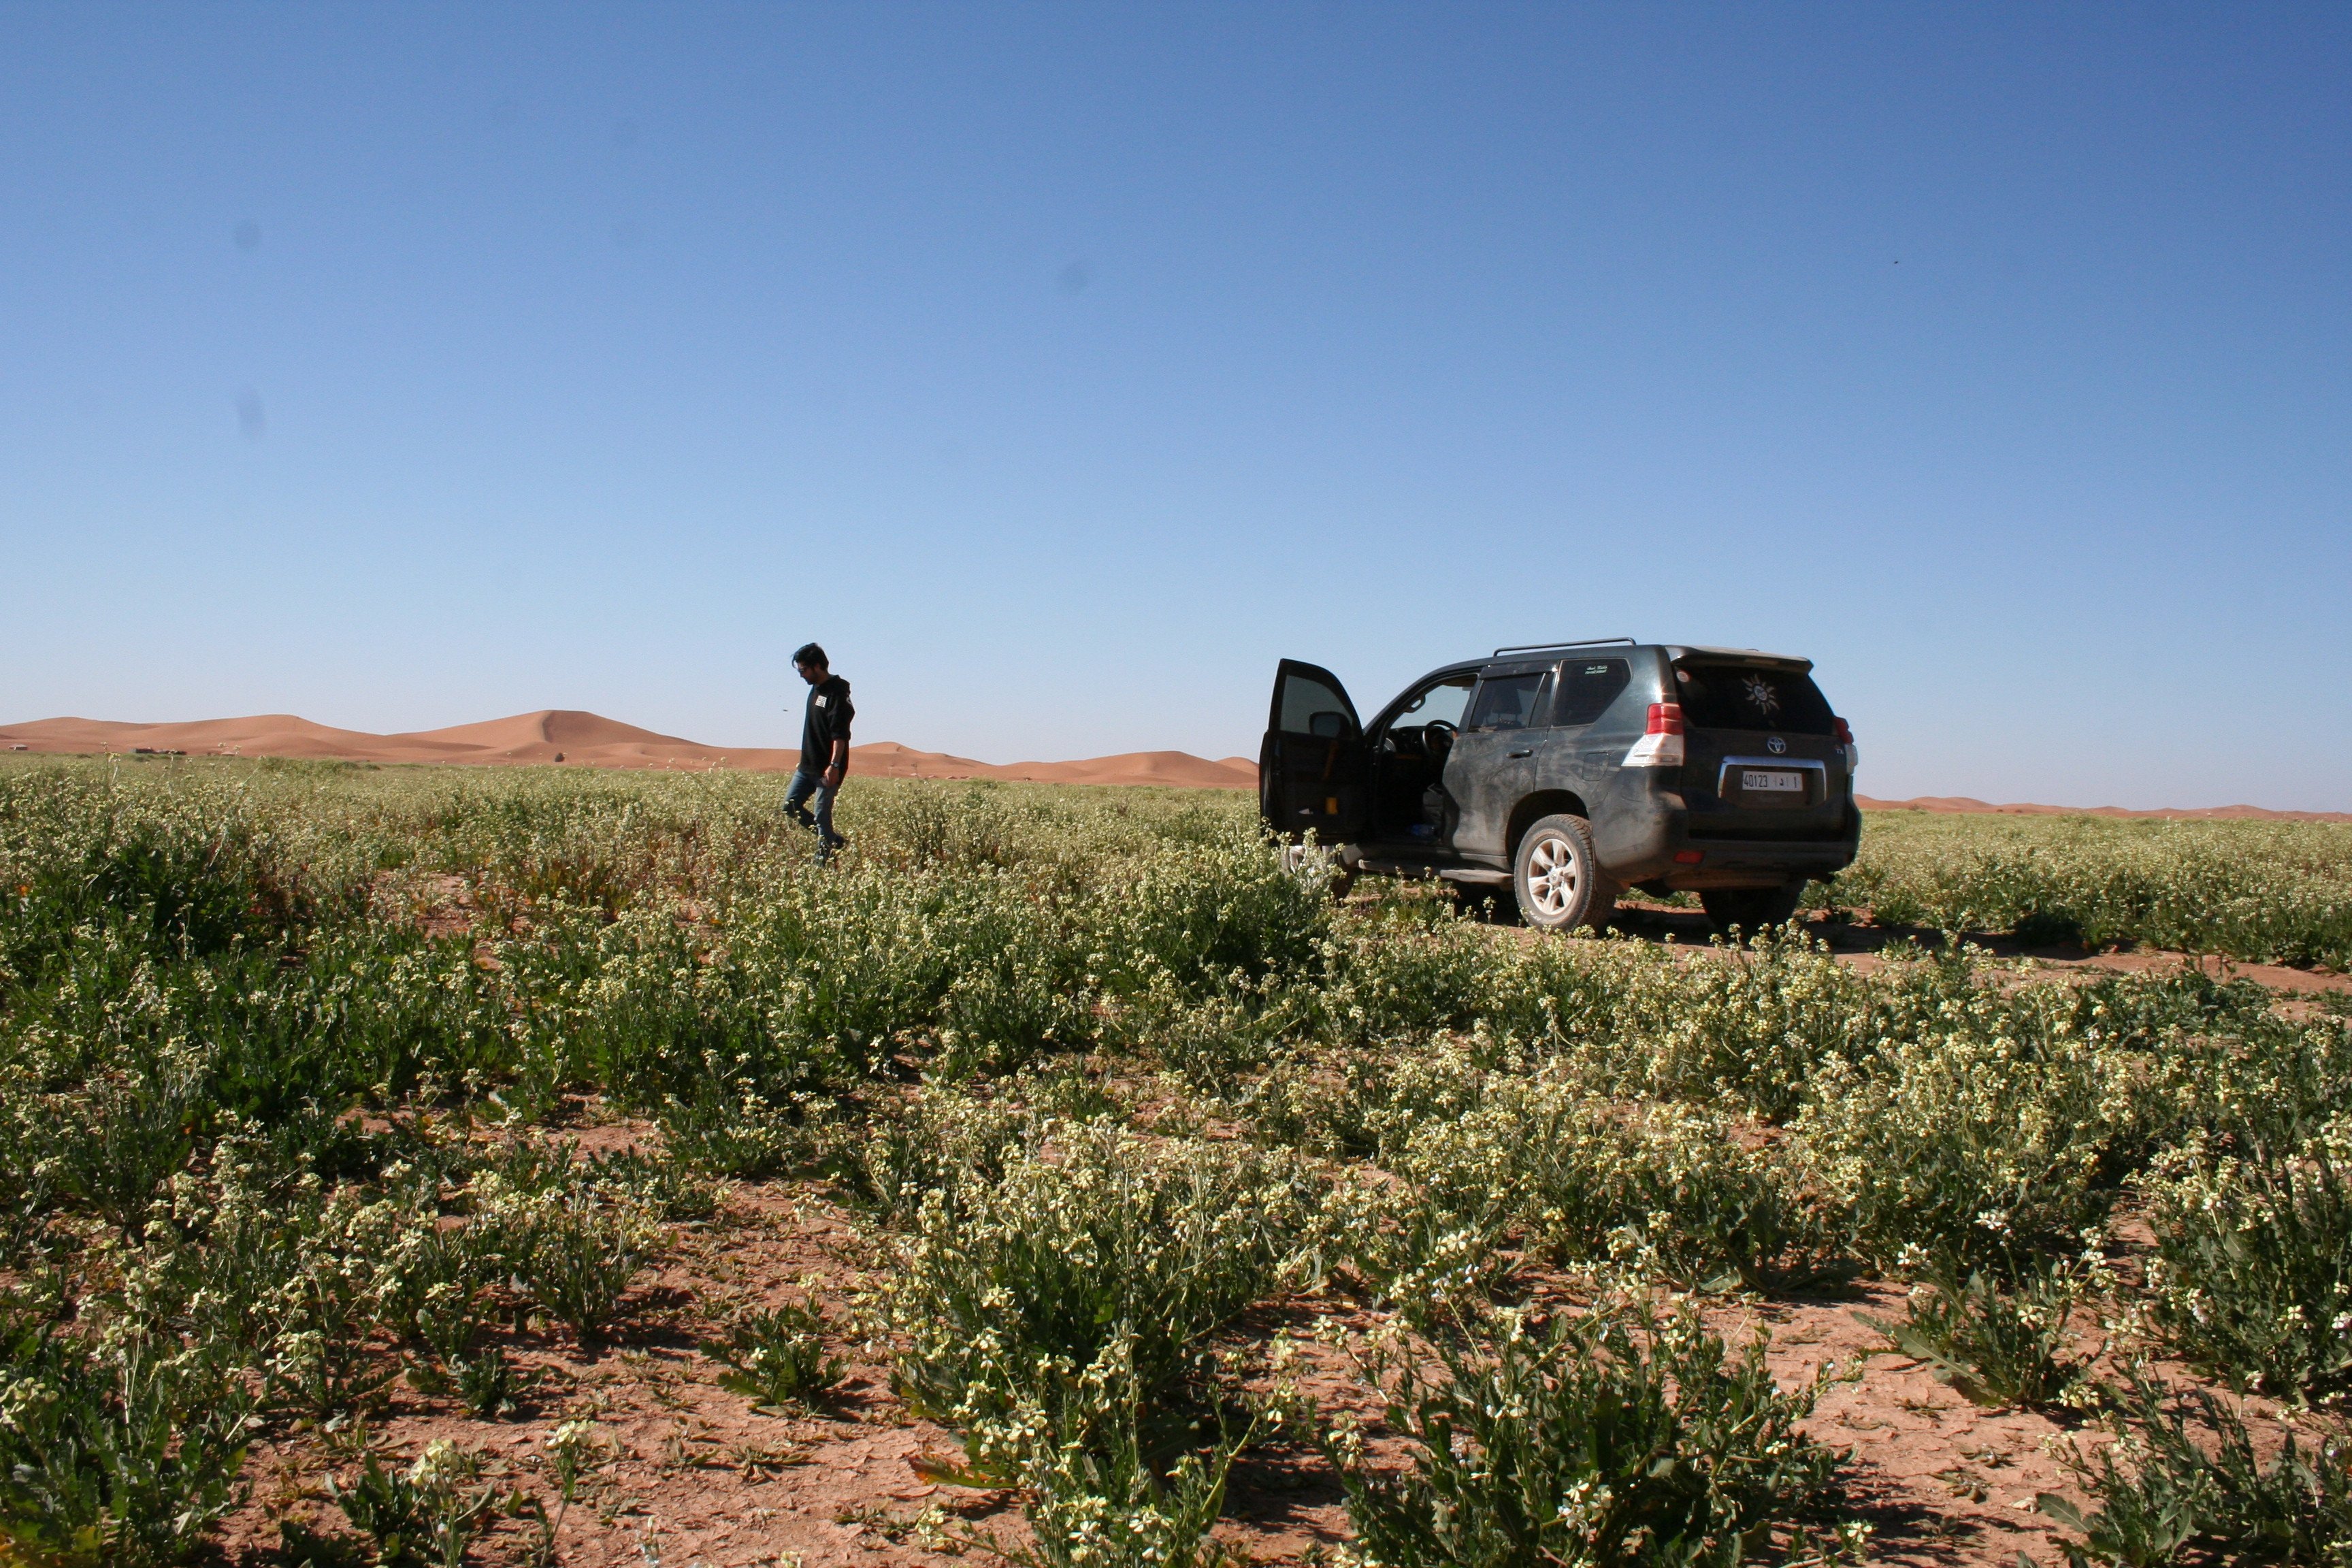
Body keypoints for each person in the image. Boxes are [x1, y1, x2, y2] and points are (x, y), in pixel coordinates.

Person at [785, 642, 853, 860]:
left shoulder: (837, 693)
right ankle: (831, 839)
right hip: (807, 766)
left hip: (828, 768)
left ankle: (822, 862)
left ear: (817, 667)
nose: (801, 675)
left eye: (803, 670)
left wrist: (834, 766)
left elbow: (840, 735)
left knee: (822, 815)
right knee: (790, 806)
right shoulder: (816, 689)